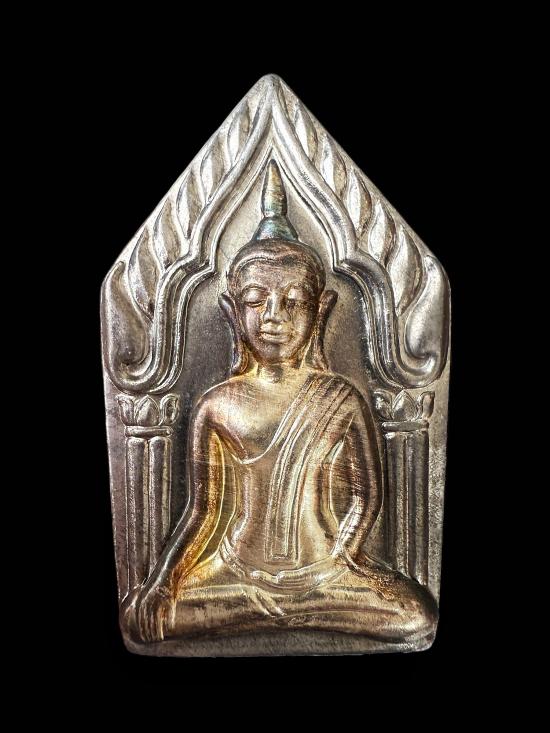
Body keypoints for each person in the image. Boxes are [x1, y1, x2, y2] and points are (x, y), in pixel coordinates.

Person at [123, 161, 437, 645]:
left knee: (416, 614)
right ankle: (279, 610)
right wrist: (164, 581)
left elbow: (367, 495)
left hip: (323, 574)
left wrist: (341, 558)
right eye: (256, 300)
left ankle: (281, 610)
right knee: (141, 617)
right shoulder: (216, 404)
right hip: (235, 571)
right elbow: (202, 511)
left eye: (294, 302)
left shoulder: (341, 397)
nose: (274, 316)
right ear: (231, 311)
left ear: (321, 310)